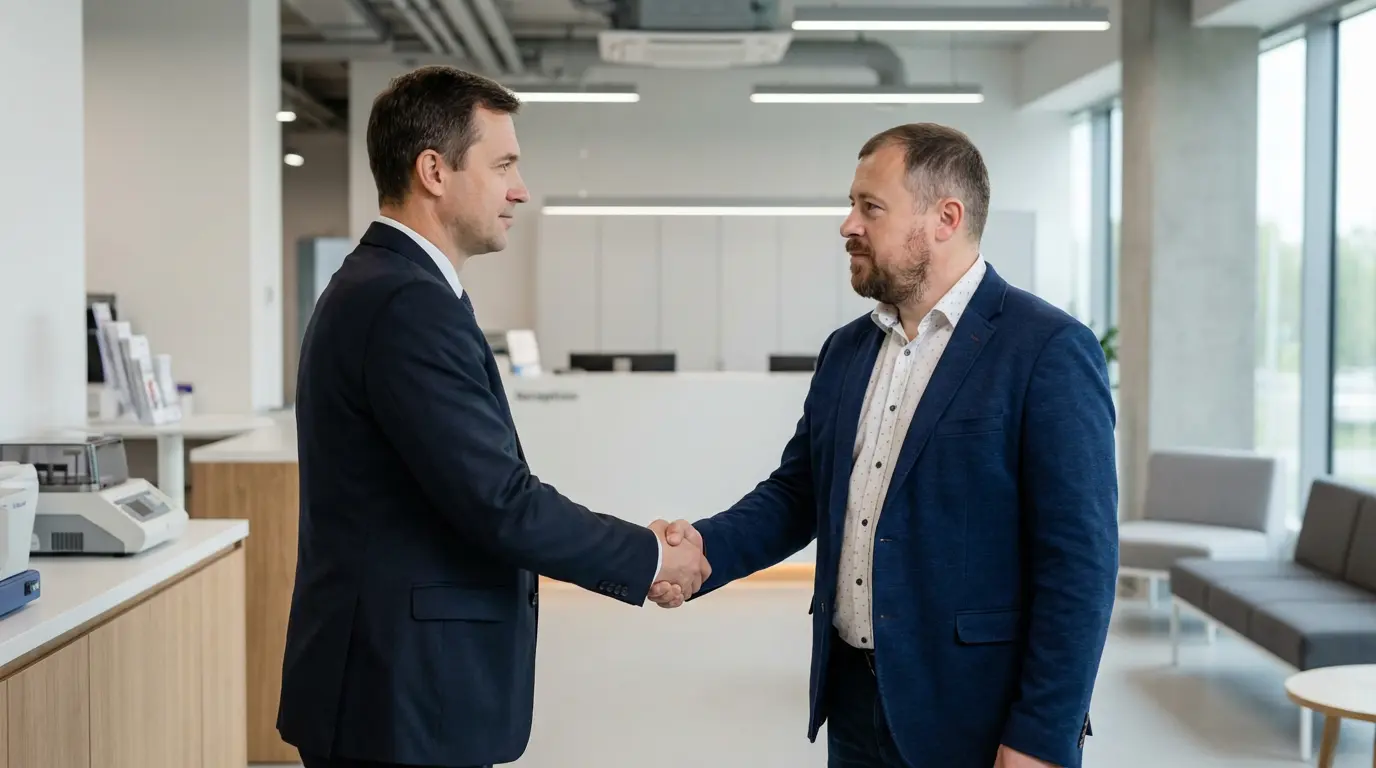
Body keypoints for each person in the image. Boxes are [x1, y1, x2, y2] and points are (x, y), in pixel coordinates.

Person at [277, 65, 709, 768]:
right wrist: (650, 556)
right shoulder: (405, 303)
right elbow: (499, 502)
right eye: (503, 164)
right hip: (397, 697)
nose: (520, 189)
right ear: (434, 171)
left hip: (391, 688)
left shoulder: (393, 286)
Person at [650, 123, 1119, 768]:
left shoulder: (1048, 349)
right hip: (853, 702)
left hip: (977, 716)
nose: (848, 225)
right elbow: (799, 493)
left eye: (871, 207)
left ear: (945, 218)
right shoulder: (847, 350)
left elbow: (1079, 563)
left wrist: (1042, 735)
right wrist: (703, 550)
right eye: (852, 204)